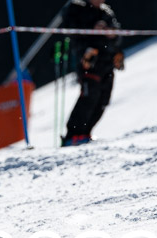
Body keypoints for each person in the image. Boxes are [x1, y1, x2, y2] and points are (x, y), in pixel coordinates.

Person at [61, 0, 124, 146]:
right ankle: (73, 135)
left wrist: (112, 35)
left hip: (107, 62)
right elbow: (71, 30)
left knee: (103, 99)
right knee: (90, 95)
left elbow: (118, 35)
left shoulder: (106, 12)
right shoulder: (76, 7)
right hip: (89, 61)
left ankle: (86, 132)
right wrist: (92, 28)